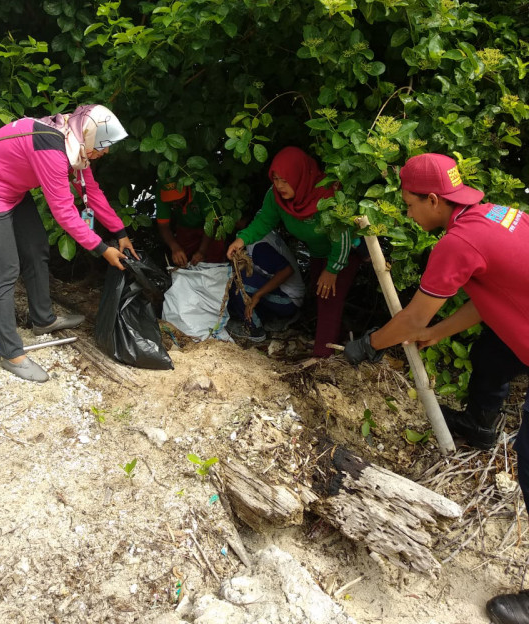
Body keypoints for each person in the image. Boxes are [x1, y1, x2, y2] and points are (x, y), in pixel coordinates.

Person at [343, 153, 529, 624]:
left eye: (408, 204)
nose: (407, 213)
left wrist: (370, 345)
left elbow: (411, 318)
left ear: (432, 199)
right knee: (493, 354)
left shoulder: (458, 242)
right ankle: (481, 427)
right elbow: (497, 297)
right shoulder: (500, 216)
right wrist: (439, 333)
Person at [0, 104, 138, 383]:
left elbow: (92, 192)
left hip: (12, 190)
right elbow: (65, 213)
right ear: (89, 135)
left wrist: (120, 232)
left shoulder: (74, 143)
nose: (106, 152)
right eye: (103, 145)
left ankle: (43, 320)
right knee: (4, 271)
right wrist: (103, 249)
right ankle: (11, 353)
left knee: (36, 248)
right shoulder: (52, 148)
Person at [227, 146, 360, 356]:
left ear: (299, 176)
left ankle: (321, 358)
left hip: (344, 252)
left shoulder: (327, 196)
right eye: (276, 179)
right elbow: (263, 220)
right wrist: (242, 240)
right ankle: (339, 339)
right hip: (318, 252)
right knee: (321, 298)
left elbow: (343, 234)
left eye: (285, 180)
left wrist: (333, 269)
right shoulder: (276, 196)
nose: (279, 185)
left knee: (328, 300)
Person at [226, 230, 305, 342]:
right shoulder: (257, 231)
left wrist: (258, 295)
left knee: (238, 282)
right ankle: (272, 318)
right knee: (239, 278)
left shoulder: (258, 247)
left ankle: (254, 330)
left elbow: (287, 271)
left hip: (289, 299)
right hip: (285, 294)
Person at [155, 181, 226, 267]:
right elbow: (163, 224)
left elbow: (212, 223)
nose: (174, 201)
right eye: (171, 199)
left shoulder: (202, 188)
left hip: (210, 227)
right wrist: (174, 247)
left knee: (214, 258)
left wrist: (202, 250)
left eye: (178, 197)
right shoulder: (162, 192)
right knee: (183, 260)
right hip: (185, 227)